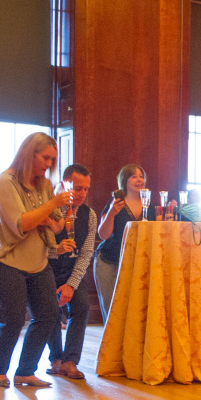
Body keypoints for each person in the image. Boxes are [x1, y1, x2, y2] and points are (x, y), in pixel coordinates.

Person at [0, 132, 74, 388]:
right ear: (29, 153)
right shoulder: (5, 182)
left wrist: (52, 215)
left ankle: (25, 371)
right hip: (4, 259)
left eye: (52, 159)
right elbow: (21, 223)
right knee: (12, 319)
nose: (48, 164)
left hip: (38, 260)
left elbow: (57, 226)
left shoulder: (44, 185)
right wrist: (50, 207)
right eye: (45, 157)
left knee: (47, 315)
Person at [46, 163, 96, 380]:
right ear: (64, 184)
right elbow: (34, 246)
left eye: (85, 189)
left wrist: (71, 284)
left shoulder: (89, 214)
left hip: (72, 272)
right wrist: (54, 251)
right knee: (48, 311)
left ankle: (70, 361)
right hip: (45, 269)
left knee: (82, 307)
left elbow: (86, 253)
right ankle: (55, 358)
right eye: (77, 188)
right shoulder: (50, 208)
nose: (81, 194)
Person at [94, 163, 155, 320]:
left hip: (136, 265)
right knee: (112, 311)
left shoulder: (150, 207)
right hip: (110, 261)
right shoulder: (115, 204)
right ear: (124, 181)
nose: (139, 179)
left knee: (132, 313)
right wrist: (112, 213)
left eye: (141, 176)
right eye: (133, 176)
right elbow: (103, 234)